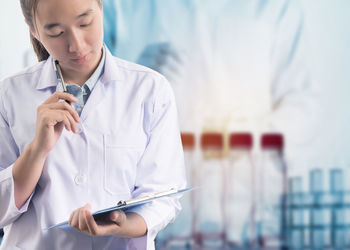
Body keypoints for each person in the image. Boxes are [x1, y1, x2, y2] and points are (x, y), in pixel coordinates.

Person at [102, 0, 319, 247]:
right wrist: (133, 81)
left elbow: (302, 106)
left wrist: (250, 137)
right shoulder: (119, 6)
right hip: (157, 226)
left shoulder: (275, 7)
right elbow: (86, 114)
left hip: (249, 216)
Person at [0, 0, 186, 249]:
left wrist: (122, 223)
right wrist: (37, 150)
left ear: (101, 9)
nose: (76, 45)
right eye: (56, 32)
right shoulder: (10, 94)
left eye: (85, 22)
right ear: (34, 30)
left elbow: (164, 196)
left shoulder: (150, 90)